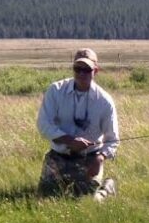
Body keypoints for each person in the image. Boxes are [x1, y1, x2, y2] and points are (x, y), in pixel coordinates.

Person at [37, 48, 119, 201]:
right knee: (47, 194)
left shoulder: (105, 101)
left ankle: (108, 185)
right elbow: (43, 125)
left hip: (90, 157)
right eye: (77, 69)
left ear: (96, 70)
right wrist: (69, 140)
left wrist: (100, 158)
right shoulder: (55, 91)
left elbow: (113, 140)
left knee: (87, 198)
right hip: (58, 155)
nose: (81, 74)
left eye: (86, 70)